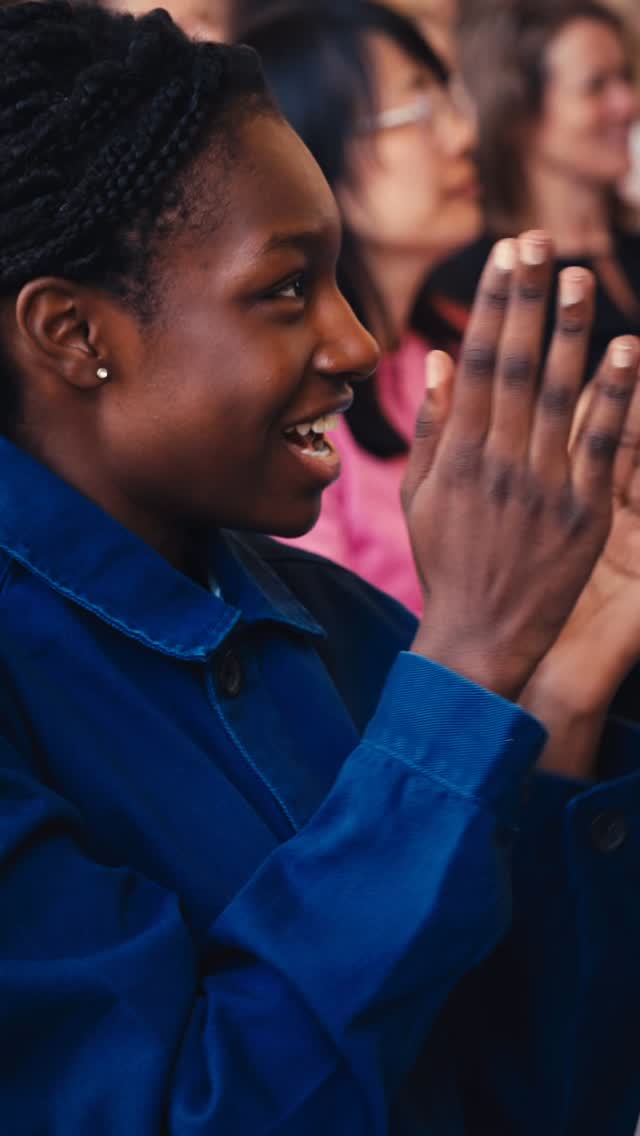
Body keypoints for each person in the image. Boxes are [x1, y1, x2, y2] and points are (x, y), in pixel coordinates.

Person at [1, 3, 640, 1134]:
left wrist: (559, 702)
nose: (352, 344)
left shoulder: (316, 611)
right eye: (287, 288)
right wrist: (466, 665)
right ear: (75, 335)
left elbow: (528, 1092)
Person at [234, 0, 479, 613]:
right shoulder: (292, 411)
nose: (463, 135)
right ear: (311, 150)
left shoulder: (459, 342)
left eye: (451, 101)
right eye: (419, 107)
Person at [429, 0, 640, 382]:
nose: (629, 103)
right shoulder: (481, 283)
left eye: (625, 77)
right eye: (596, 86)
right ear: (517, 112)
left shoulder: (632, 245)